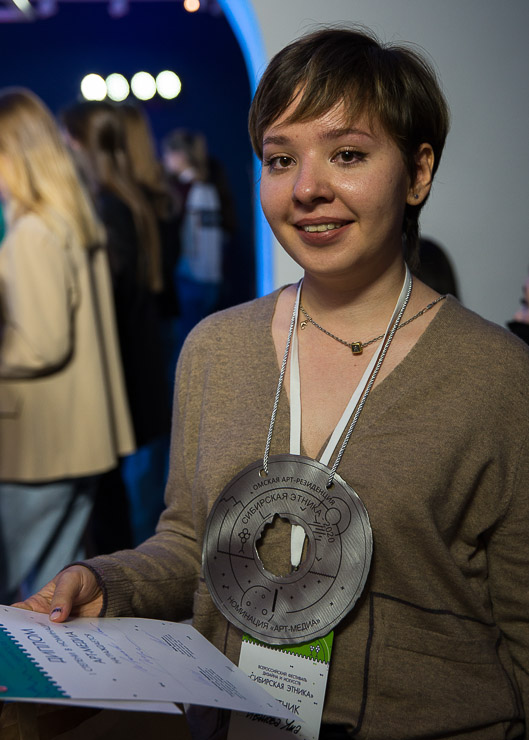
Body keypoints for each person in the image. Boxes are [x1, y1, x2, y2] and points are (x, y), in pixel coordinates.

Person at [15, 28, 529, 740]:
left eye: (347, 155)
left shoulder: (496, 376)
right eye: (280, 159)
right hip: (235, 723)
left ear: (417, 173)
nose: (307, 188)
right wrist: (109, 584)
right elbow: (190, 541)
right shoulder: (216, 349)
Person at [0, 89, 134, 604]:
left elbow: (42, 345)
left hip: (39, 445)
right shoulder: (70, 219)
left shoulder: (34, 231)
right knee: (53, 593)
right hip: (75, 441)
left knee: (27, 592)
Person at [61, 101, 171, 552]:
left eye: (66, 139)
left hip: (120, 368)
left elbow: (108, 292)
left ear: (79, 144)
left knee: (116, 506)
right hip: (136, 358)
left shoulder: (109, 206)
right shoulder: (130, 198)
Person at [162, 129, 225, 341]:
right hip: (212, 277)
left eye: (168, 154)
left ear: (180, 155)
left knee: (185, 344)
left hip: (189, 276)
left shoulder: (181, 191)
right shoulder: (210, 188)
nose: (165, 160)